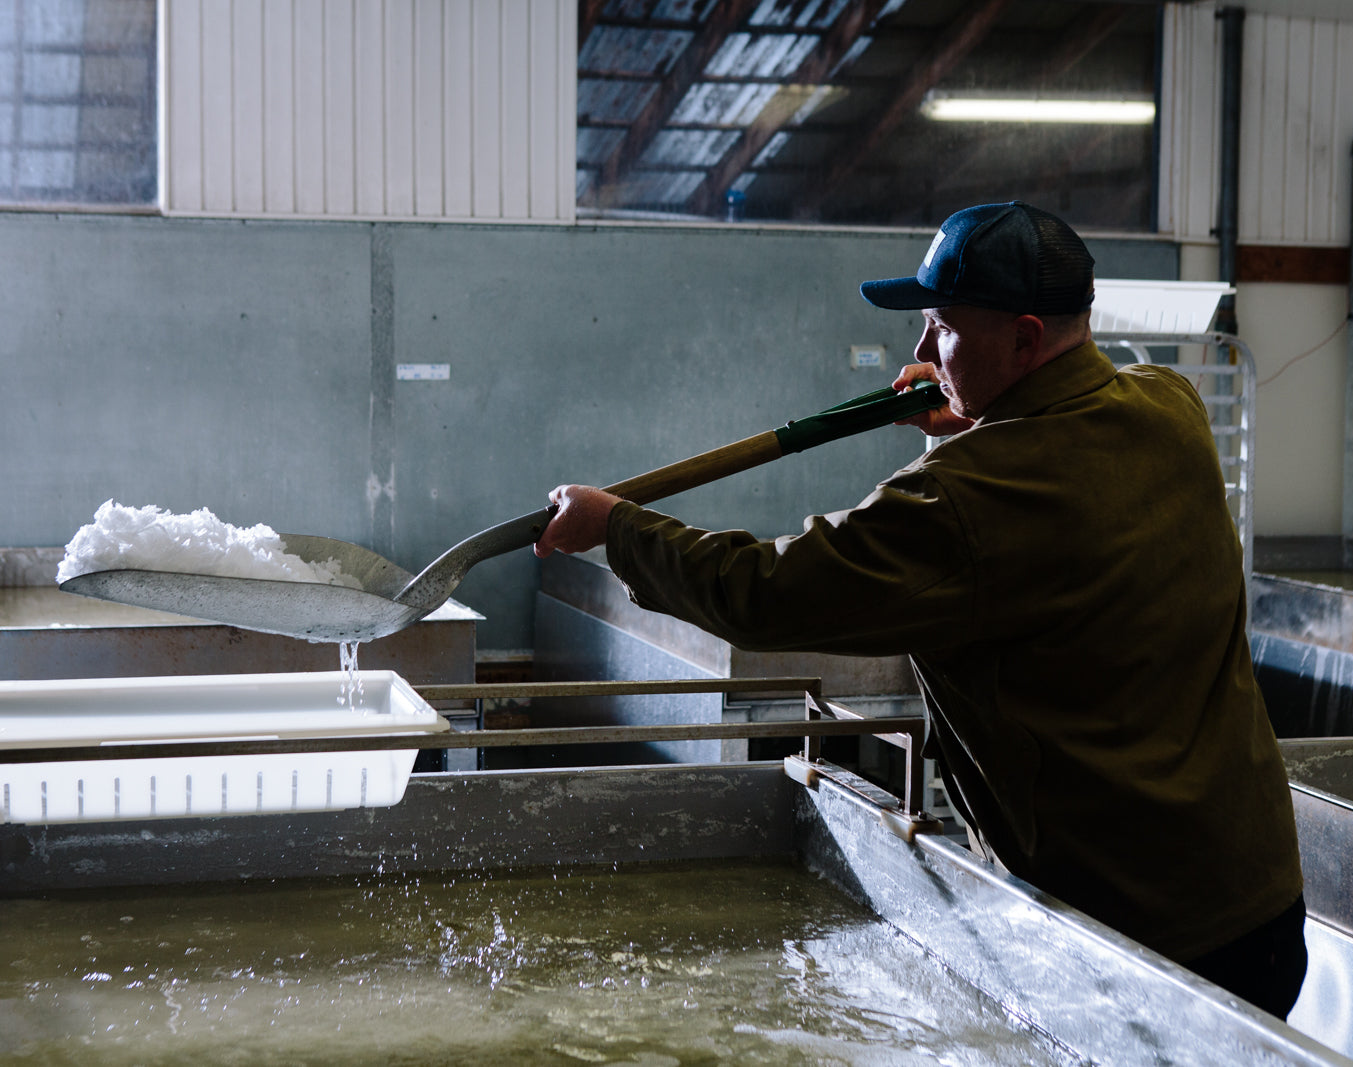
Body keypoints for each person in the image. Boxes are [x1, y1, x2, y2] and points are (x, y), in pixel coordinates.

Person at [534, 201, 1308, 1020]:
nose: (919, 352)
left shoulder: (965, 497)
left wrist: (616, 526)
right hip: (1260, 906)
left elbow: (766, 591)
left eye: (941, 327)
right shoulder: (1171, 406)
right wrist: (966, 424)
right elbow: (1025, 515)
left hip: (1138, 940)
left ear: (1024, 338)